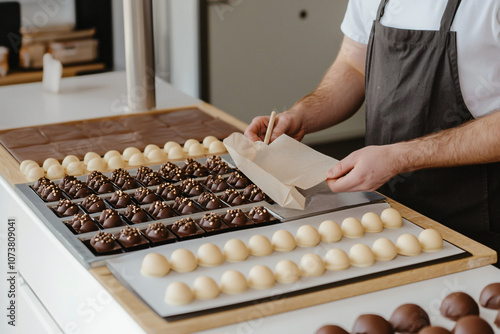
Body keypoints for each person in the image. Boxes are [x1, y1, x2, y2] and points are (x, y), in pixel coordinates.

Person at [245, 0, 500, 255]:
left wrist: (400, 157)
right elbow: (353, 65)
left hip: (478, 223)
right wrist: (303, 114)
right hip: (387, 215)